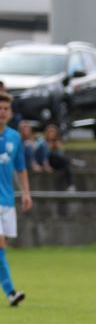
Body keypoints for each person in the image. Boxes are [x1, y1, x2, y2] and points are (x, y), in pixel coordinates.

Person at [0, 92, 33, 306]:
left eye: (5, 109)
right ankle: (11, 292)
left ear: (11, 113)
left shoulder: (14, 137)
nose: (2, 113)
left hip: (7, 201)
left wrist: (26, 193)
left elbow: (20, 168)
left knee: (4, 246)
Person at [35, 125, 75, 191]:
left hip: (53, 162)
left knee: (66, 166)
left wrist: (59, 148)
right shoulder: (42, 142)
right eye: (50, 132)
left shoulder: (57, 143)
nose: (51, 133)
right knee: (54, 156)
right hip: (43, 162)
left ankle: (71, 185)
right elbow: (40, 154)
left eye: (53, 132)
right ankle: (70, 161)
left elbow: (59, 157)